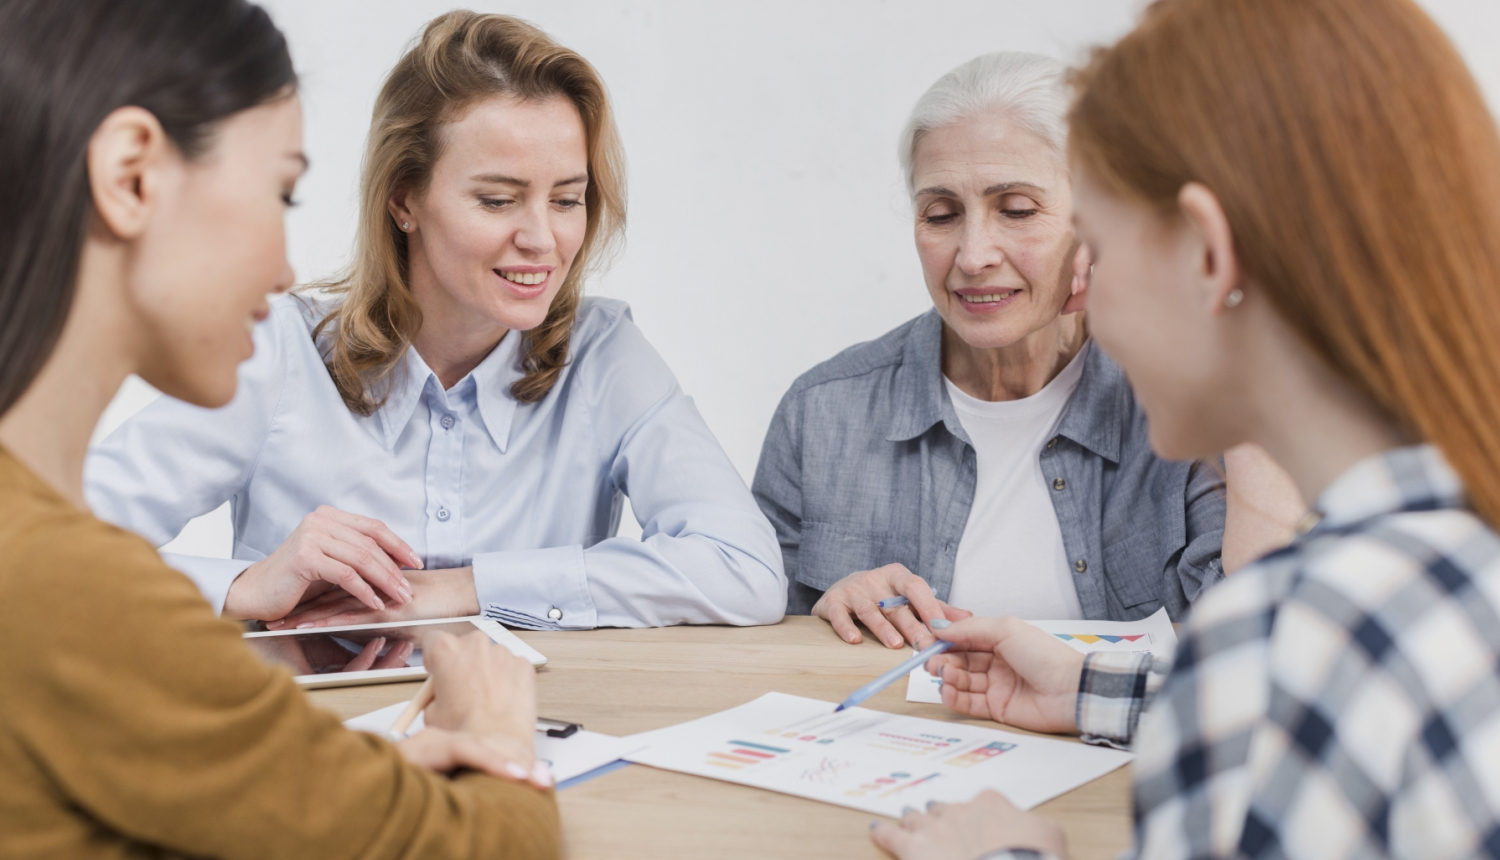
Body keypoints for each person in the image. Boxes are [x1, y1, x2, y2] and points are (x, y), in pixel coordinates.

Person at [873, 0, 1500, 856]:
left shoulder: (1291, 634)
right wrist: (1099, 689)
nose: (1085, 297)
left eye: (1095, 244)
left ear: (1207, 257)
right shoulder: (1437, 558)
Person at [0, 0, 562, 857]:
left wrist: (350, 775)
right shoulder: (73, 593)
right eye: (279, 191)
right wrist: (494, 730)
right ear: (132, 175)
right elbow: (492, 846)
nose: (286, 266)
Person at [85, 11, 786, 632]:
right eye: (498, 200)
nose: (543, 239)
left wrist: (460, 590)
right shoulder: (281, 350)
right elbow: (50, 541)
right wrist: (240, 586)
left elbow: (744, 568)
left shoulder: (603, 355)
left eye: (567, 200)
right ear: (403, 200)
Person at [754, 53, 1290, 651]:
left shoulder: (1188, 405)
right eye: (941, 214)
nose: (973, 254)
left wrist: (1229, 364)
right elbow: (755, 637)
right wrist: (828, 610)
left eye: (1016, 210)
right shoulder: (822, 412)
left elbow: (1272, 636)